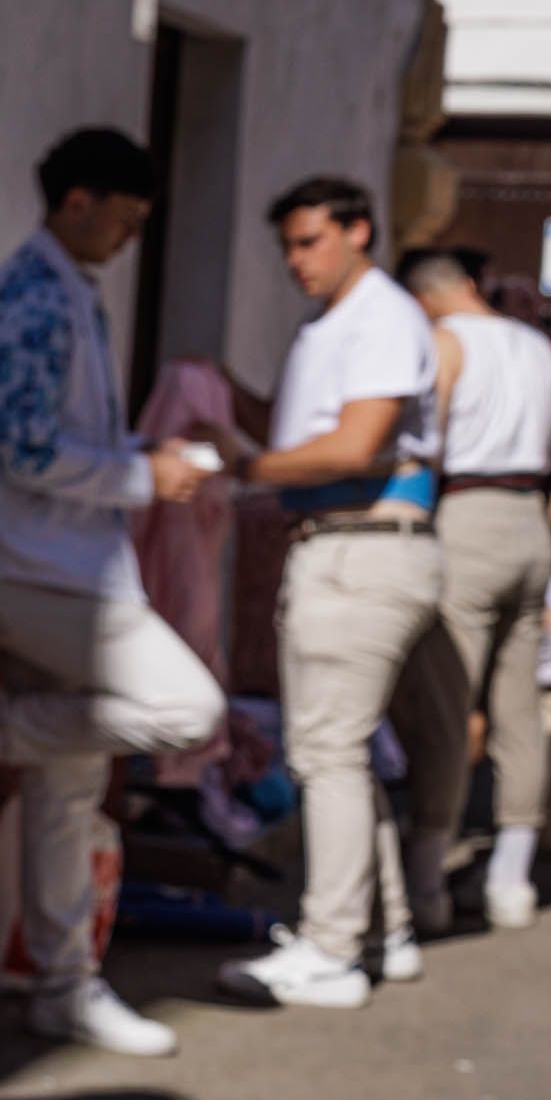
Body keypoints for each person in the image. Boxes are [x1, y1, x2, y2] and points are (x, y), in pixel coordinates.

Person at [0, 128, 224, 1056]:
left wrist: (140, 468)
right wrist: (146, 476)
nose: (128, 240)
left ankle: (64, 985)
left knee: (68, 780)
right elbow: (25, 450)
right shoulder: (32, 298)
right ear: (76, 199)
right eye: (124, 220)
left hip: (56, 564)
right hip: (34, 569)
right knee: (188, 708)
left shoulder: (62, 292)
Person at [206, 178, 441, 1008]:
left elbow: (351, 444)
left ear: (357, 230)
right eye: (288, 247)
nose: (296, 261)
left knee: (329, 752)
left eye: (310, 242)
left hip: (363, 546)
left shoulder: (379, 316)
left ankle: (332, 945)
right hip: (347, 545)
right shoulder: (339, 322)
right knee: (343, 752)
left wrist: (241, 467)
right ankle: (382, 931)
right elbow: (310, 431)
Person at [389, 245, 551, 932]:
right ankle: (509, 877)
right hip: (528, 518)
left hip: (467, 514)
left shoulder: (445, 344)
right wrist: (550, 508)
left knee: (450, 700)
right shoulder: (538, 348)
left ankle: (426, 880)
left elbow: (423, 447)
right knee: (520, 706)